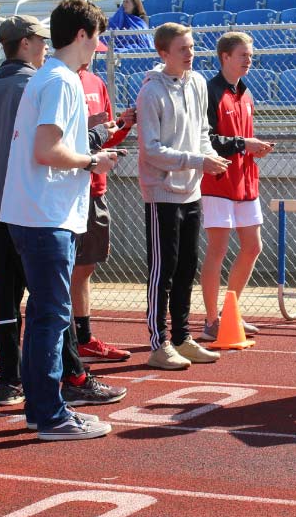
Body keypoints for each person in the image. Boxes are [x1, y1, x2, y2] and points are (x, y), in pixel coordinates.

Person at [0, 0, 122, 440]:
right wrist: (92, 161)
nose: (97, 50)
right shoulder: (62, 81)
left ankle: (41, 408)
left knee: (46, 316)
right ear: (83, 34)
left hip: (39, 211)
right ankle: (50, 414)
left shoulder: (50, 78)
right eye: (96, 39)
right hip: (45, 213)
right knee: (52, 316)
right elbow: (46, 149)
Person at [137, 22, 230, 370]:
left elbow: (202, 132)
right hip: (162, 194)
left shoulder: (198, 84)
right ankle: (158, 343)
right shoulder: (150, 93)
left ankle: (181, 336)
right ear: (163, 54)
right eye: (183, 49)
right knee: (164, 271)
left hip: (192, 190)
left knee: (188, 265)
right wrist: (197, 160)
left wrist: (210, 160)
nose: (190, 54)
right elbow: (152, 150)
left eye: (192, 47)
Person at [0, 15, 50, 407]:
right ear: (25, 43)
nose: (46, 47)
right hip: (33, 206)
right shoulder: (36, 86)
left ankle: (9, 379)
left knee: (6, 292)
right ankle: (50, 378)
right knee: (47, 293)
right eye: (41, 40)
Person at [199, 31, 274, 341]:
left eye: (250, 55)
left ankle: (232, 312)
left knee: (253, 246)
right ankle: (211, 320)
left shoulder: (246, 93)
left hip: (245, 182)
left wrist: (252, 147)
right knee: (218, 249)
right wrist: (245, 144)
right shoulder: (210, 91)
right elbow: (207, 140)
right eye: (243, 54)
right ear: (225, 57)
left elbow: (240, 139)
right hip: (218, 181)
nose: (249, 59)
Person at [72, 38, 136, 363]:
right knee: (68, 267)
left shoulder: (96, 82)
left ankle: (81, 337)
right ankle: (70, 339)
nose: (91, 60)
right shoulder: (61, 83)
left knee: (85, 266)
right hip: (70, 188)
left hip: (96, 186)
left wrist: (123, 124)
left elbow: (108, 132)